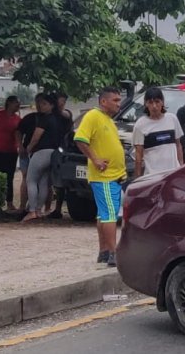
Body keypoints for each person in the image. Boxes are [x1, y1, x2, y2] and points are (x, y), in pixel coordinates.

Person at [73, 88, 126, 267]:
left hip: (113, 175)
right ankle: (113, 253)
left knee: (103, 214)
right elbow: (80, 139)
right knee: (110, 215)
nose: (119, 103)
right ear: (103, 101)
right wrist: (95, 159)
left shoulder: (108, 120)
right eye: (115, 100)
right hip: (105, 176)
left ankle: (104, 251)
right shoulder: (93, 116)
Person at [21, 94, 61, 223]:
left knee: (31, 180)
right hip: (52, 152)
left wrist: (29, 147)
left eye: (44, 104)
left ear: (51, 105)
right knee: (44, 182)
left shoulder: (44, 119)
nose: (40, 106)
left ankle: (32, 210)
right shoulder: (56, 119)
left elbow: (36, 136)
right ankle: (38, 209)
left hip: (41, 152)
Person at [133, 87, 184, 178]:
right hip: (152, 176)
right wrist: (137, 177)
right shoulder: (140, 125)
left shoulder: (172, 119)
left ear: (162, 102)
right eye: (150, 102)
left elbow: (178, 145)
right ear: (145, 104)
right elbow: (138, 155)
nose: (154, 106)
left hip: (173, 174)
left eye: (157, 101)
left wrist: (181, 167)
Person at [46, 92, 75, 220]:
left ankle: (57, 208)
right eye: (59, 101)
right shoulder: (50, 115)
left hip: (63, 149)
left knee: (60, 181)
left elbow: (65, 114)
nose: (61, 103)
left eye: (63, 101)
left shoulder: (66, 114)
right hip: (52, 147)